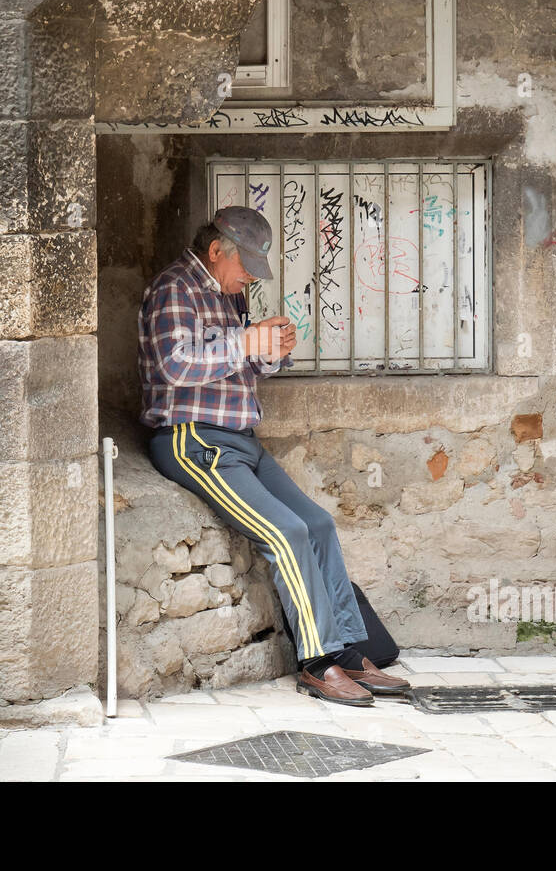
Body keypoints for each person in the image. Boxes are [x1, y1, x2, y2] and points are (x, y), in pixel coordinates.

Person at [137, 205, 409, 707]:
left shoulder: (229, 294)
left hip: (242, 440)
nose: (248, 278)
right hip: (194, 439)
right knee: (285, 534)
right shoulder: (175, 288)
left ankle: (350, 651)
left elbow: (243, 367)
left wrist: (271, 349)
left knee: (319, 524)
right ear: (216, 251)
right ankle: (318, 663)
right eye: (244, 266)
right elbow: (173, 365)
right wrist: (246, 341)